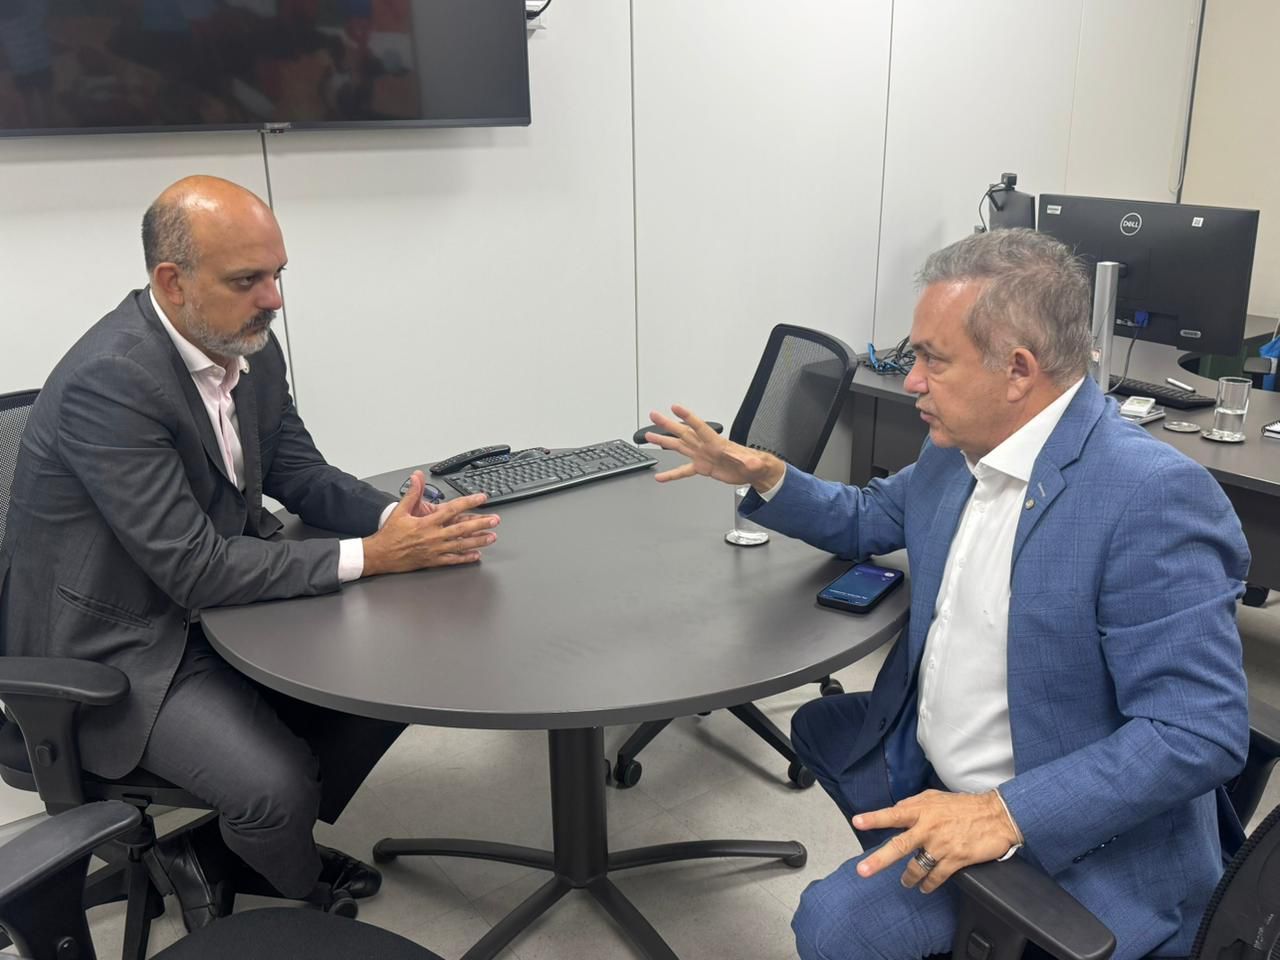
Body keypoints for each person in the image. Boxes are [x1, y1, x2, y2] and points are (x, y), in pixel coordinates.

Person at [645, 228, 1250, 960]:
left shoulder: (1151, 498)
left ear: (1018, 370)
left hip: (1073, 834)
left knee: (833, 925)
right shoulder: (961, 452)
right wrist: (760, 473)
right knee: (826, 728)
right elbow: (868, 516)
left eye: (932, 358)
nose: (910, 381)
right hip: (937, 758)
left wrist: (1003, 812)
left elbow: (1198, 732)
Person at [0, 175, 501, 927]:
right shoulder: (109, 381)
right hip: (118, 642)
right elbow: (193, 565)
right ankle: (286, 886)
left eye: (278, 275)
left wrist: (410, 519)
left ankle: (221, 849)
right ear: (173, 281)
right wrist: (376, 553)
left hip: (212, 606)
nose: (274, 300)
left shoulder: (244, 346)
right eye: (248, 281)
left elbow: (299, 472)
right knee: (274, 787)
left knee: (407, 670)